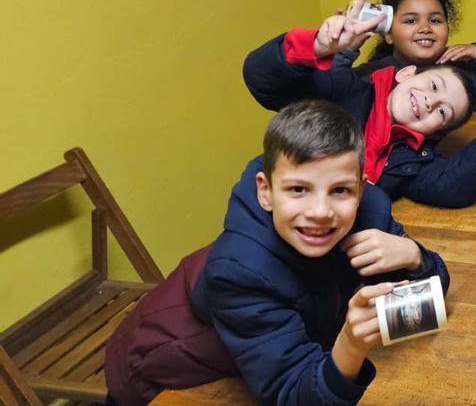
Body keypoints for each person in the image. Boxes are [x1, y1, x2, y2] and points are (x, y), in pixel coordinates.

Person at [105, 100, 450, 405]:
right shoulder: (239, 272)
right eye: (299, 189)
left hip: (277, 346)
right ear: (265, 192)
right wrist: (350, 345)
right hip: (156, 371)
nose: (320, 211)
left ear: (361, 189)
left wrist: (415, 256)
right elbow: (291, 393)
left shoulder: (369, 212)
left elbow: (429, 300)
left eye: (340, 190)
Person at [245, 0, 476, 207]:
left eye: (443, 113)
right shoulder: (348, 88)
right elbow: (264, 82)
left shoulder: (411, 159)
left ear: (434, 133)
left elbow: (447, 186)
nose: (431, 102)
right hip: (278, 209)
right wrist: (318, 46)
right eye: (433, 86)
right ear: (405, 73)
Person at [336, 0, 476, 113]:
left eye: (435, 20)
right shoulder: (372, 76)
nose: (425, 28)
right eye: (411, 21)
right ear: (388, 34)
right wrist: (344, 50)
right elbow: (327, 95)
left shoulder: (456, 75)